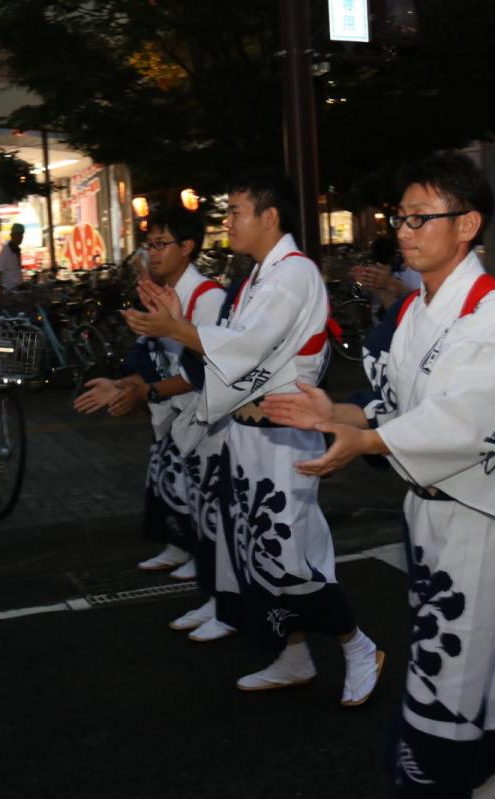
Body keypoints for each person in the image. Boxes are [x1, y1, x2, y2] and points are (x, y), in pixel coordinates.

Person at [262, 153, 495, 798]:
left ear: (468, 224)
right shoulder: (421, 309)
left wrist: (367, 440)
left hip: (476, 511)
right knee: (475, 653)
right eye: (402, 216)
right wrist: (338, 413)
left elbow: (468, 418)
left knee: (447, 670)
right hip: (429, 505)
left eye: (421, 217)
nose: (405, 230)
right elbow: (399, 408)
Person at [124, 170, 383, 706]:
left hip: (285, 434)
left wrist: (177, 329)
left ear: (270, 216)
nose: (227, 221)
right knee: (259, 552)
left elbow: (246, 347)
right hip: (250, 434)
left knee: (290, 554)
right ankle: (293, 655)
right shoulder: (262, 276)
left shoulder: (292, 275)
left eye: (236, 210)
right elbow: (233, 352)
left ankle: (359, 646)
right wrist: (180, 327)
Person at [75, 205, 234, 641]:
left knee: (218, 518)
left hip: (213, 425)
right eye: (149, 244)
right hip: (187, 425)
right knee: (203, 515)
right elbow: (148, 360)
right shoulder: (166, 295)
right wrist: (122, 383)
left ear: (188, 247)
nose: (153, 252)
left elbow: (205, 371)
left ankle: (228, 605)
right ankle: (218, 599)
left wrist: (143, 393)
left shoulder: (208, 298)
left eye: (161, 243)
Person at [0, 222, 25, 290]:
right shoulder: (6, 250)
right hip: (9, 290)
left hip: (18, 288)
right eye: (17, 235)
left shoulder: (16, 250)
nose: (20, 238)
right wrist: (0, 287)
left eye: (21, 235)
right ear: (12, 236)